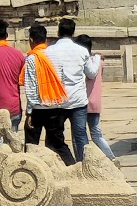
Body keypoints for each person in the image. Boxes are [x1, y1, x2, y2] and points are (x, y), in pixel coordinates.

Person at [48, 16, 100, 161]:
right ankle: (84, 165)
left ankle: (59, 165)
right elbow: (91, 73)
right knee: (80, 136)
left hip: (58, 100)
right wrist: (96, 60)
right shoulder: (82, 51)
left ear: (58, 32)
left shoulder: (50, 51)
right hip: (78, 100)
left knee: (55, 137)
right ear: (73, 33)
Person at [22, 22, 73, 164]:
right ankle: (72, 167)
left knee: (31, 146)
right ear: (46, 40)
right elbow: (61, 79)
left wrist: (29, 113)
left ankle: (30, 170)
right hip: (56, 106)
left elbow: (31, 87)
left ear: (31, 40)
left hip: (38, 108)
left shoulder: (32, 58)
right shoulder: (56, 56)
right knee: (58, 143)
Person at [76, 34, 116, 160]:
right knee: (97, 134)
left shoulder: (82, 62)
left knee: (79, 134)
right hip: (96, 102)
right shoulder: (99, 62)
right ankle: (111, 157)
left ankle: (81, 159)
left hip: (83, 101)